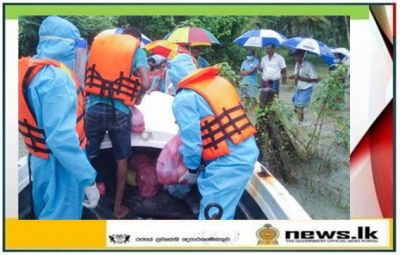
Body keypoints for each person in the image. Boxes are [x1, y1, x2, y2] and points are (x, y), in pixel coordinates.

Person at [18, 16, 99, 219]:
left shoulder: (29, 70)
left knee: (44, 211)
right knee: (61, 223)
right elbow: (61, 139)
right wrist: (88, 180)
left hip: (38, 160)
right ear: (67, 47)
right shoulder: (58, 80)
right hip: (60, 166)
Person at [169, 54, 259, 220]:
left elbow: (192, 144)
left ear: (173, 76)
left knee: (213, 217)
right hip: (247, 151)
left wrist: (192, 170)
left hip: (228, 163)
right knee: (224, 209)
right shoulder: (220, 82)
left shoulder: (184, 98)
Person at [84, 27, 151, 219]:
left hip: (94, 108)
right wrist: (137, 98)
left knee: (88, 155)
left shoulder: (100, 47)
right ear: (137, 39)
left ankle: (83, 201)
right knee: (121, 158)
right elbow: (146, 83)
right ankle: (117, 209)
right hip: (120, 111)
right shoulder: (137, 51)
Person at [289, 50, 319, 121]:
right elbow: (296, 75)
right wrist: (293, 76)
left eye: (297, 56)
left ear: (302, 56)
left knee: (300, 106)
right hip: (298, 88)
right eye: (295, 56)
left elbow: (315, 79)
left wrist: (301, 78)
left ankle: (300, 122)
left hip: (306, 88)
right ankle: (299, 121)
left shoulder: (309, 65)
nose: (296, 58)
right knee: (296, 106)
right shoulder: (297, 64)